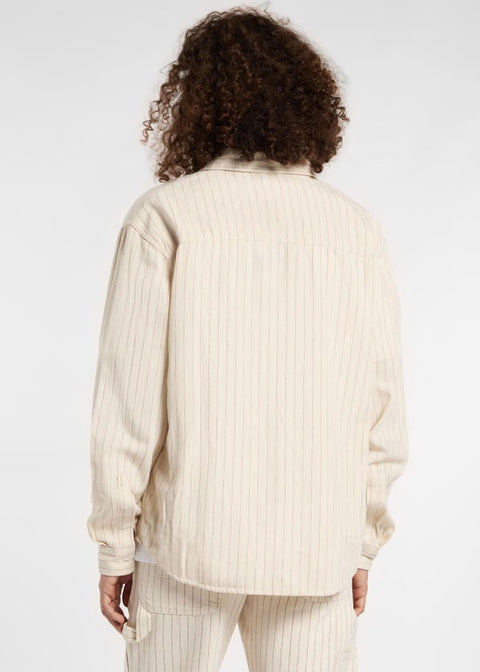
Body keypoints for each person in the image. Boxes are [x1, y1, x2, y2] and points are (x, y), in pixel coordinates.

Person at [86, 6, 409, 671]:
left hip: (187, 542)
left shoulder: (166, 216)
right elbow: (382, 407)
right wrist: (361, 541)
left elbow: (128, 402)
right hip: (316, 548)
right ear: (308, 102)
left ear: (196, 104)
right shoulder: (354, 229)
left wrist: (115, 545)